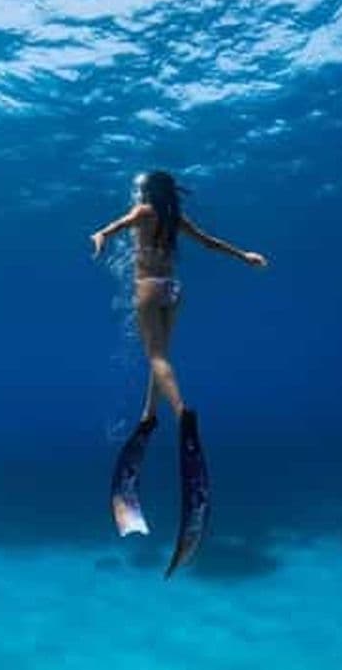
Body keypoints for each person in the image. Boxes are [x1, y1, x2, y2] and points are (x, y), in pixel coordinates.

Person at [91, 170, 268, 576]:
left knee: (155, 356)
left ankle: (181, 412)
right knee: (164, 355)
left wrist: (100, 238)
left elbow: (112, 228)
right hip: (174, 288)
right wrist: (246, 256)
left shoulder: (143, 210)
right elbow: (209, 243)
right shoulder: (175, 216)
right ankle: (149, 415)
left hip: (149, 288)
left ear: (147, 191)